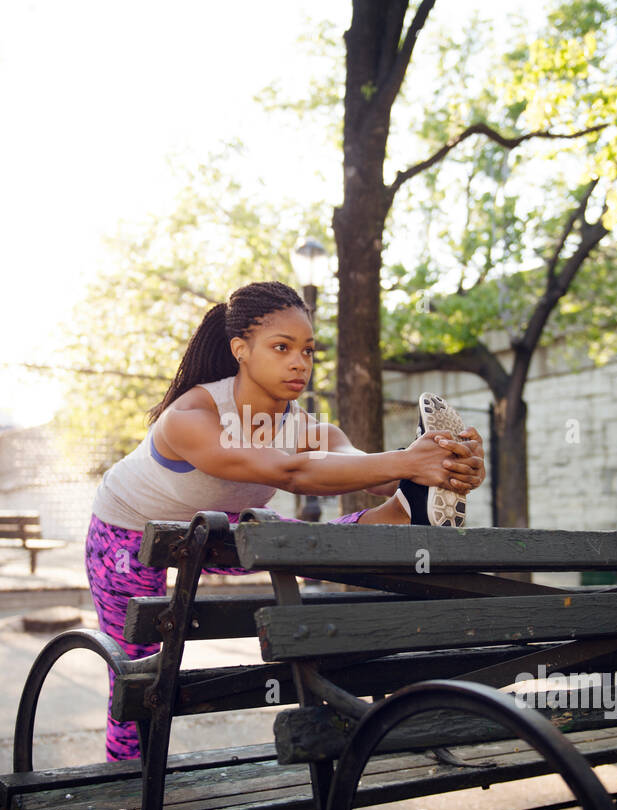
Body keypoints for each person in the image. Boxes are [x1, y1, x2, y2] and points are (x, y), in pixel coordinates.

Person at [87, 280, 485, 761]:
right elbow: (289, 472)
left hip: (218, 527)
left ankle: (409, 509)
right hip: (126, 533)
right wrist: (408, 463)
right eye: (282, 347)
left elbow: (366, 467)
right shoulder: (190, 416)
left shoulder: (304, 427)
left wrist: (440, 464)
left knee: (307, 540)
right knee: (140, 670)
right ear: (241, 350)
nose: (300, 362)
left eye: (308, 350)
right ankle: (124, 784)